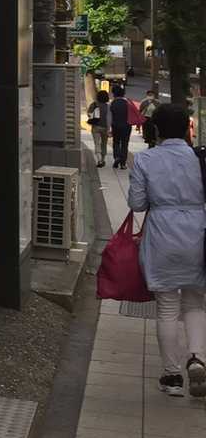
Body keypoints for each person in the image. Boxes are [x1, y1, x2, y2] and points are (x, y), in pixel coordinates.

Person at [129, 102, 206, 397]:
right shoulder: (200, 158)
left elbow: (137, 204)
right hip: (198, 231)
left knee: (167, 307)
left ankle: (172, 376)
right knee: (195, 302)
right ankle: (197, 358)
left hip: (162, 232)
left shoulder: (145, 159)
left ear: (156, 129)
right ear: (187, 128)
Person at [110, 83, 132, 169]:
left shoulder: (113, 103)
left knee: (116, 142)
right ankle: (123, 163)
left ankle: (117, 157)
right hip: (126, 126)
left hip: (115, 125)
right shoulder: (127, 103)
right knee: (124, 144)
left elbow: (110, 116)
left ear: (114, 94)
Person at [87, 89, 111, 167]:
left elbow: (89, 114)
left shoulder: (94, 104)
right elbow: (110, 117)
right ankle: (103, 159)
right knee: (104, 143)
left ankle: (99, 159)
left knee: (96, 143)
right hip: (105, 127)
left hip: (96, 126)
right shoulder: (108, 106)